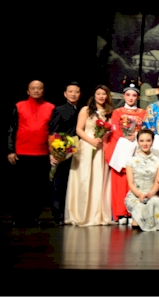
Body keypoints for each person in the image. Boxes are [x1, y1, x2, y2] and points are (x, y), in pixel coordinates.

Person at [65, 85, 115, 226]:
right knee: (84, 179)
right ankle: (81, 214)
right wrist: (91, 140)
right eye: (98, 93)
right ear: (94, 96)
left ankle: (96, 214)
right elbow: (79, 130)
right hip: (87, 147)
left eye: (104, 94)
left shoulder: (109, 112)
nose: (101, 96)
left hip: (101, 148)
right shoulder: (86, 110)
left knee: (98, 180)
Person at [7, 80, 55, 227]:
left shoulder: (50, 107)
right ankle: (18, 218)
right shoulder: (19, 106)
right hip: (22, 152)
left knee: (38, 189)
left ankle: (34, 217)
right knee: (20, 188)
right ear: (28, 91)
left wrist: (53, 152)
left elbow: (53, 131)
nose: (36, 91)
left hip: (42, 154)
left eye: (39, 88)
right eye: (33, 88)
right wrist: (10, 150)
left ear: (43, 91)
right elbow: (11, 129)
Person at [103, 76, 146, 225]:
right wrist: (126, 138)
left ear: (138, 96)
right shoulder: (117, 112)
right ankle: (120, 212)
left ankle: (133, 212)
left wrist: (137, 136)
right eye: (128, 94)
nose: (131, 98)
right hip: (121, 149)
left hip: (137, 149)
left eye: (134, 95)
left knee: (135, 181)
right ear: (124, 96)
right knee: (120, 182)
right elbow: (115, 130)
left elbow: (146, 130)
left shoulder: (143, 112)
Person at [48, 81, 81, 226]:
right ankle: (58, 215)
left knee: (73, 184)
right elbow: (53, 132)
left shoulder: (82, 110)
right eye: (70, 91)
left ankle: (71, 213)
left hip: (79, 152)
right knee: (60, 183)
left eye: (76, 92)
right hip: (63, 150)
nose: (73, 94)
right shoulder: (59, 109)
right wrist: (52, 153)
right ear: (65, 94)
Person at [124, 129, 159, 231]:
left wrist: (152, 193)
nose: (145, 144)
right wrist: (140, 195)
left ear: (152, 141)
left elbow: (157, 182)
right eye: (141, 141)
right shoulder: (131, 161)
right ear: (137, 142)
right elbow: (130, 183)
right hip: (135, 195)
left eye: (148, 140)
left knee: (156, 203)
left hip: (151, 195)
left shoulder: (158, 161)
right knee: (139, 207)